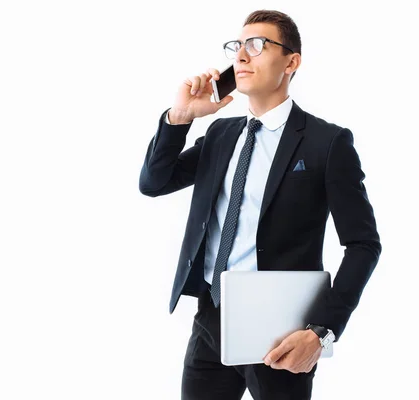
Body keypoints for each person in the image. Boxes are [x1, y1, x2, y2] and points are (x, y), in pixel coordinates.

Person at [138, 9, 381, 400]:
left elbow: (364, 245)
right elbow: (154, 183)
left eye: (257, 45)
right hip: (211, 317)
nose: (241, 57)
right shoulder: (221, 134)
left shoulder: (327, 143)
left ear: (291, 61)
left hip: (281, 330)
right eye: (237, 46)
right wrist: (181, 117)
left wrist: (320, 332)